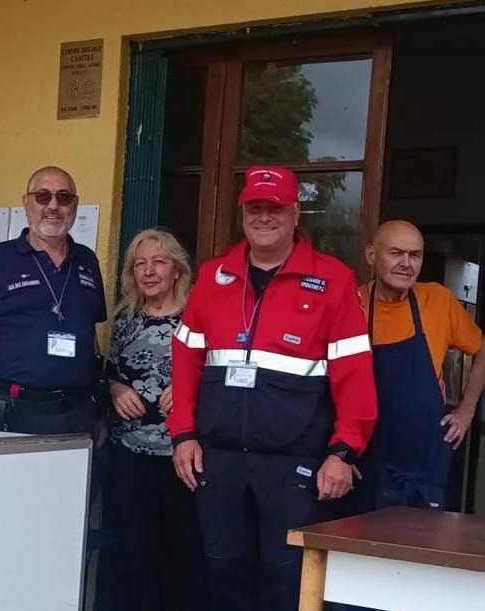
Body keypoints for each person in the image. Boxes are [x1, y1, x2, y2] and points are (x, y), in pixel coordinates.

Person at [168, 166, 378, 611]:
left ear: (295, 212)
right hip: (219, 459)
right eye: (255, 207)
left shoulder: (333, 281)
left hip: (294, 464)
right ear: (243, 212)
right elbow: (186, 360)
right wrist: (183, 433)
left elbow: (355, 374)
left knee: (289, 580)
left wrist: (343, 452)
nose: (265, 217)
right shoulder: (213, 275)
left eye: (275, 207)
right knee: (222, 571)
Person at [96, 228, 207, 611]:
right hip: (130, 452)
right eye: (140, 263)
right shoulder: (124, 318)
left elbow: (224, 372)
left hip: (183, 456)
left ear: (177, 269)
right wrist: (114, 389)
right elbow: (107, 371)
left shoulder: (199, 314)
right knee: (134, 550)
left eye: (159, 261)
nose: (149, 271)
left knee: (182, 552)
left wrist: (192, 387)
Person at [0, 166, 107, 434]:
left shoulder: (87, 260)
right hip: (13, 411)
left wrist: (99, 409)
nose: (53, 206)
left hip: (77, 414)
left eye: (64, 197)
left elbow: (89, 335)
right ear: (27, 203)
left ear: (75, 205)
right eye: (42, 196)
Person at [357, 220, 485, 510]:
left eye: (415, 255)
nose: (406, 263)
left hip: (424, 458)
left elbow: (482, 348)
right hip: (368, 459)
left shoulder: (438, 300)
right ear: (371, 255)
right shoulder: (353, 305)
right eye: (396, 253)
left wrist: (467, 410)